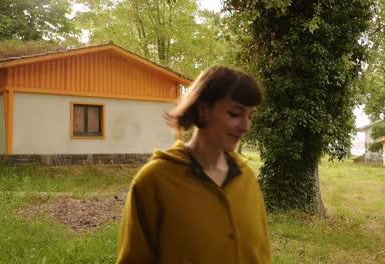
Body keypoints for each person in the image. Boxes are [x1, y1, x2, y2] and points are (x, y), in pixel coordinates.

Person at [116, 65, 271, 263]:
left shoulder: (246, 178)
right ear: (203, 110)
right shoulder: (153, 180)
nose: (246, 126)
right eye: (235, 114)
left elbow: (261, 253)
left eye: (250, 116)